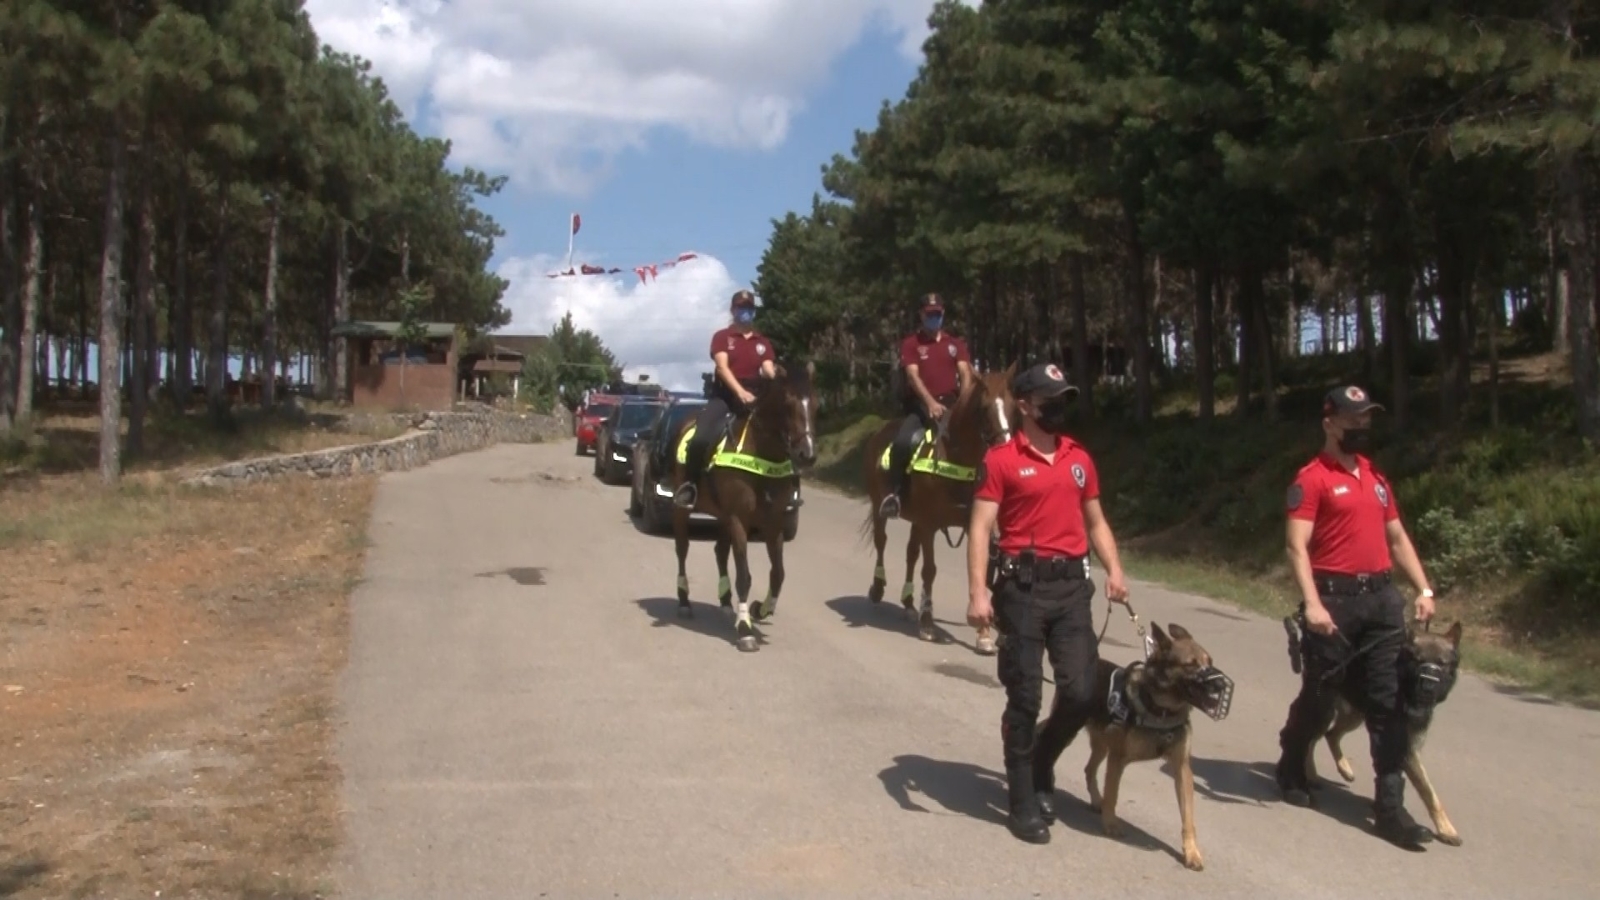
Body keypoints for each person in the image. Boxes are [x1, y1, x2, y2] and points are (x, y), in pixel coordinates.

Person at [966, 362, 1130, 844]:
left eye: (1063, 398)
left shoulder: (1079, 457)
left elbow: (1096, 520)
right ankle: (1021, 799)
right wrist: (978, 591)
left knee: (1081, 692)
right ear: (1025, 405)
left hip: (1072, 589)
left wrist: (1115, 570)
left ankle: (1041, 760)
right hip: (1023, 590)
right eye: (1050, 400)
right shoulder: (1000, 459)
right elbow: (979, 527)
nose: (1059, 407)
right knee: (1024, 697)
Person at [1275, 385, 1438, 850]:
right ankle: (1291, 762)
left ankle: (1390, 808)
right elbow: (1296, 547)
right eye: (1353, 421)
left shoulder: (1375, 477)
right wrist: (1312, 603)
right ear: (1330, 424)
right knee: (1322, 695)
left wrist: (1423, 588)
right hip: (1335, 601)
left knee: (1387, 702)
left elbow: (1398, 538)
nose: (1362, 427)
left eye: (1367, 419)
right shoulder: (1312, 479)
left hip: (1382, 601)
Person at [674, 289, 778, 508]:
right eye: (741, 308)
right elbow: (722, 368)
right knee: (701, 437)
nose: (745, 312)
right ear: (733, 310)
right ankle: (690, 485)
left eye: (749, 308)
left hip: (755, 399)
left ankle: (776, 488)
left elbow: (768, 368)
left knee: (779, 436)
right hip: (725, 398)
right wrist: (740, 392)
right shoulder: (723, 337)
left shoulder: (763, 342)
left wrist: (776, 375)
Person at [878, 293, 973, 520]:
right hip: (920, 406)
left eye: (938, 314)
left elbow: (965, 373)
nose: (934, 318)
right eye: (930, 314)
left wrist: (965, 402)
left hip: (952, 405)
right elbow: (913, 376)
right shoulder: (911, 344)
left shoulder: (955, 344)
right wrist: (929, 402)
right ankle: (895, 495)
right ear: (921, 315)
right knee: (902, 443)